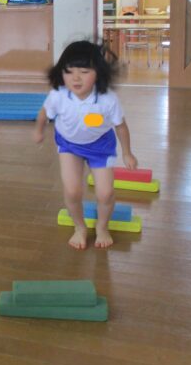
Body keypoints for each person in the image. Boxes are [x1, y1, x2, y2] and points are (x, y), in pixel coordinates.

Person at [33, 40, 137, 250]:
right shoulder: (58, 95)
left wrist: (127, 153)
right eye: (69, 71)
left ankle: (102, 227)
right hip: (69, 145)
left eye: (84, 71)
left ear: (98, 73)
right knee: (72, 191)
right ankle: (79, 227)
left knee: (105, 193)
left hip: (101, 147)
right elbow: (44, 113)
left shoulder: (107, 99)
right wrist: (39, 130)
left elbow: (121, 126)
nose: (76, 78)